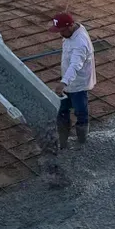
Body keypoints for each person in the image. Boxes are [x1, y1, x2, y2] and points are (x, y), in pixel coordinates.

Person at [49, 11, 96, 147]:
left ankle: (82, 142)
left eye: (61, 31)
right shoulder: (71, 32)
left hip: (79, 84)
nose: (60, 34)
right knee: (62, 110)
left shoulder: (80, 43)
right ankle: (63, 142)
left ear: (69, 27)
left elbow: (75, 65)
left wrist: (63, 83)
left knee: (80, 112)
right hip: (68, 80)